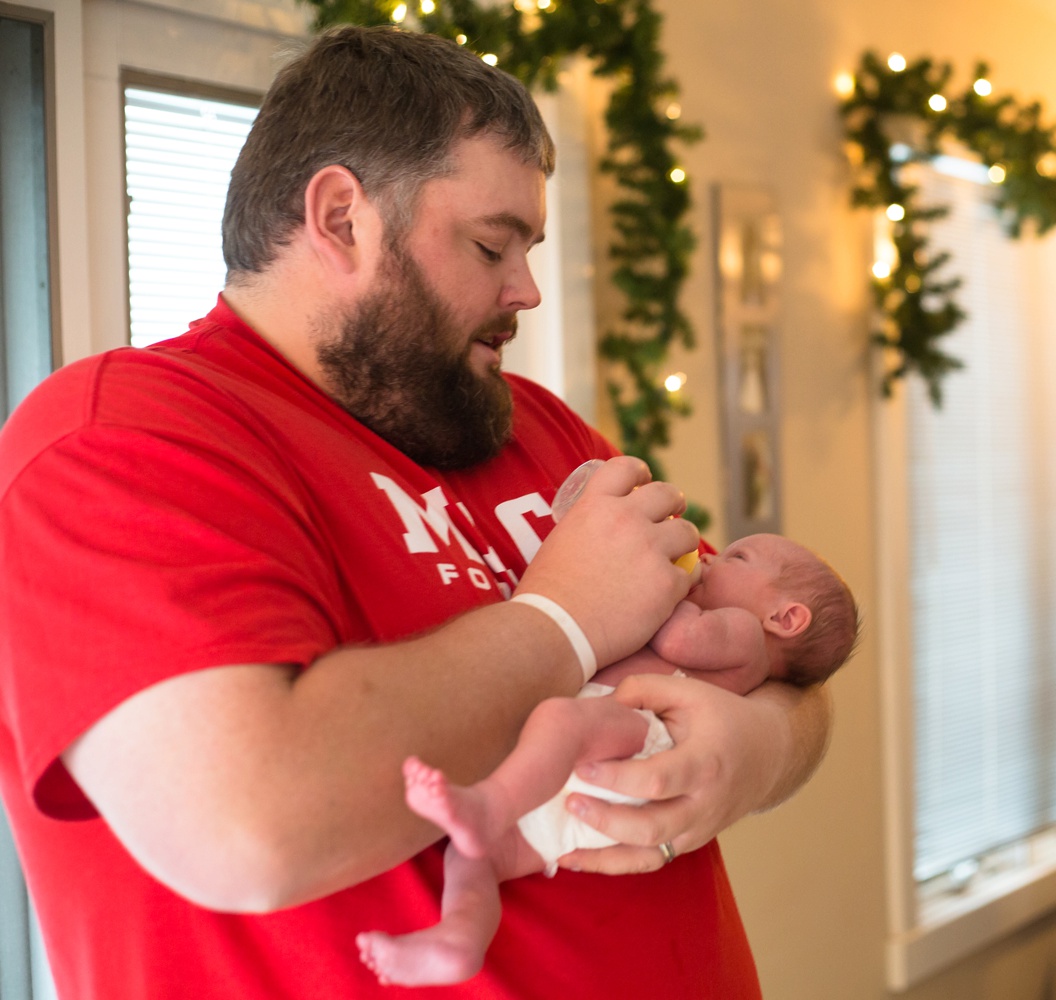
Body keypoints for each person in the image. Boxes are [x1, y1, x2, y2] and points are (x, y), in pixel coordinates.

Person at [0, 25, 831, 1000]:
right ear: (343, 215)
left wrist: (757, 751)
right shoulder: (122, 437)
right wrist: (561, 622)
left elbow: (786, 666)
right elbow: (251, 823)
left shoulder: (545, 433)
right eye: (492, 243)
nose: (523, 289)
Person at [356, 532, 859, 986]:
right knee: (479, 857)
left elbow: (678, 639)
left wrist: (672, 586)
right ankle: (459, 939)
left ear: (785, 618)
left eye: (737, 557)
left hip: (641, 740)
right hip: (596, 803)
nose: (712, 556)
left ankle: (488, 804)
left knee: (560, 722)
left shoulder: (743, 634)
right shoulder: (743, 632)